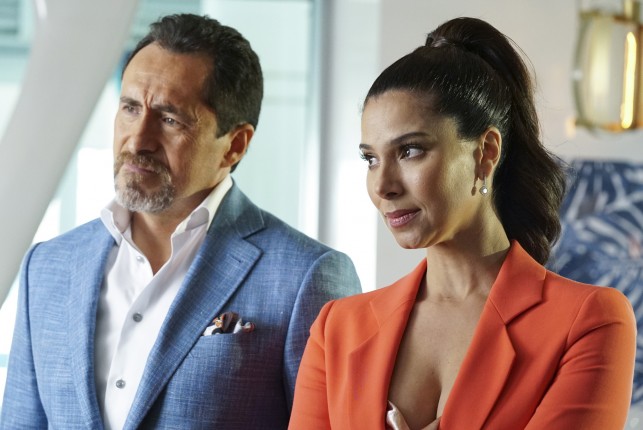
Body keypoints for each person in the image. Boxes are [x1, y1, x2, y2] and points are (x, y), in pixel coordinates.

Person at [1, 13, 361, 430]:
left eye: (170, 119)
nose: (138, 140)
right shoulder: (47, 267)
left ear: (235, 145)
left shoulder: (308, 277)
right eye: (130, 108)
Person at [289, 17, 636, 430]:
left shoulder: (588, 320)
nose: (383, 186)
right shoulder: (338, 329)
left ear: (485, 153)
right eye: (371, 158)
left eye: (410, 151)